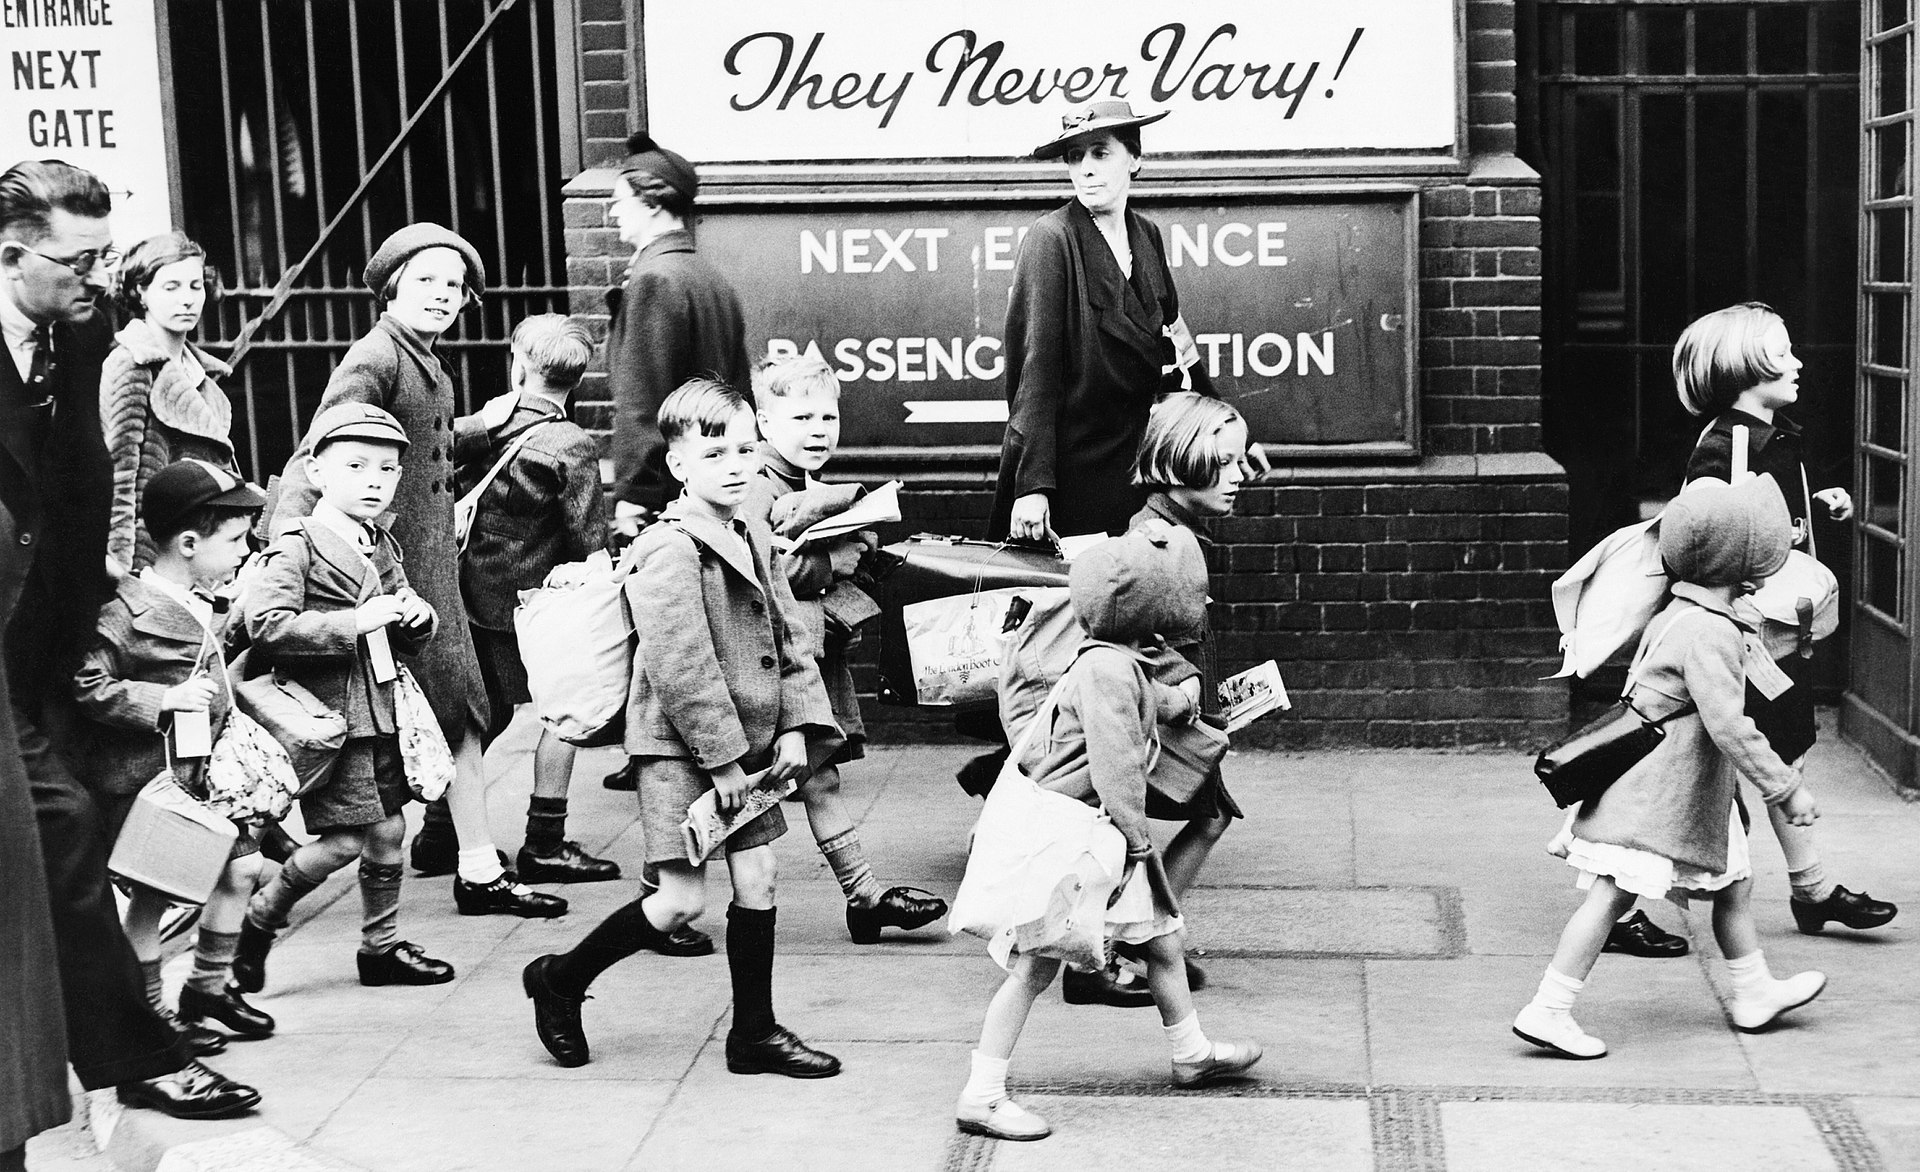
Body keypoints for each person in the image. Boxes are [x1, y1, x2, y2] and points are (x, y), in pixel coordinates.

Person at [1, 158, 258, 1122]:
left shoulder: (76, 331)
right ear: (13, 254)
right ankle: (136, 1057)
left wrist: (94, 606)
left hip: (45, 647)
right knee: (64, 835)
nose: (98, 276)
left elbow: (84, 486)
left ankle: (123, 1054)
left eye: (106, 257)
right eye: (79, 258)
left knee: (63, 845)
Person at [522, 380, 842, 1077]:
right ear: (679, 466)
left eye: (743, 449)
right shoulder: (669, 548)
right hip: (677, 749)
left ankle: (753, 1034)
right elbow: (681, 666)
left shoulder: (749, 528)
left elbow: (789, 635)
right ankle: (560, 980)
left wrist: (796, 727)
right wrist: (725, 764)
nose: (734, 464)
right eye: (714, 452)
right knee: (679, 900)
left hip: (750, 746)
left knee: (758, 878)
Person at [264, 223, 563, 920]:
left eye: (455, 286)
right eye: (427, 280)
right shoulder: (375, 357)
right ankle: (476, 868)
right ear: (392, 285)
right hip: (389, 572)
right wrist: (292, 542)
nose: (443, 295)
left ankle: (457, 852)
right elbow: (323, 449)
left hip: (423, 566)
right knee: (450, 707)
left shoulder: (422, 357)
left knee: (456, 707)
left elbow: (420, 442)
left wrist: (488, 424)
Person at [955, 527, 1262, 1142]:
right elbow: (1117, 763)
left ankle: (1191, 1053)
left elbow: (1154, 698)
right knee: (1035, 967)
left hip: (1093, 834)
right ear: (1146, 608)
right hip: (1076, 839)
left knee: (1164, 943)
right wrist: (1137, 840)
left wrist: (1183, 700)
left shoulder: (1114, 657)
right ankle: (981, 1095)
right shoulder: (1107, 670)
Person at [1514, 476, 1827, 1059]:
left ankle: (1754, 990)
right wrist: (1785, 789)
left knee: (1735, 883)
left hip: (1678, 788)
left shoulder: (1682, 611)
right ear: (1743, 565)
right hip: (1662, 794)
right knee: (1611, 896)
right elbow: (1730, 725)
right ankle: (1548, 1010)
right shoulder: (1710, 631)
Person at [1677, 303, 1897, 938]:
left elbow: (1771, 517)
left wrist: (1820, 508)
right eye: (1782, 351)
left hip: (1773, 627)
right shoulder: (1728, 444)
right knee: (1722, 759)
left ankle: (1813, 889)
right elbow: (1703, 532)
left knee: (1775, 748)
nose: (1798, 361)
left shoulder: (1778, 435)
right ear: (1744, 366)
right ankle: (1619, 902)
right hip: (1744, 628)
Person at [236, 404, 454, 991]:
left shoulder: (381, 541)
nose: (373, 481)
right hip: (330, 718)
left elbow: (402, 609)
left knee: (388, 833)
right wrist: (353, 622)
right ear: (317, 470)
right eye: (356, 466)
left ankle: (379, 949)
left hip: (382, 710)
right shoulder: (296, 544)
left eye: (386, 470)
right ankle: (258, 922)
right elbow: (267, 624)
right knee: (343, 843)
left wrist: (417, 617)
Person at [992, 100, 1267, 543]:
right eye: (1075, 157)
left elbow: (1177, 342)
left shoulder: (1147, 235)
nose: (1085, 169)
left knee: (1137, 596)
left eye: (1100, 153)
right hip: (1072, 472)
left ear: (1135, 159)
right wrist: (1033, 486)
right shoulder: (1052, 238)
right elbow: (1034, 372)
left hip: (1138, 466)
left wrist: (1231, 432)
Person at [71, 460, 274, 1049]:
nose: (245, 550)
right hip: (147, 781)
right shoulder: (124, 610)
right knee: (153, 897)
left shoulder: (201, 597)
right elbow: (86, 682)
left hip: (200, 775)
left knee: (241, 869)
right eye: (234, 540)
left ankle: (208, 989)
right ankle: (152, 1014)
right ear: (188, 544)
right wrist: (166, 698)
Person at [747, 354, 948, 942]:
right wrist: (826, 562)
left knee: (817, 777)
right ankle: (662, 899)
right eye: (801, 417)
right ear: (764, 425)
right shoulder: (755, 483)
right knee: (744, 786)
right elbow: (755, 570)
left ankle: (864, 898)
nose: (818, 430)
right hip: (768, 663)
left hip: (798, 659)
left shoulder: (796, 483)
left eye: (828, 418)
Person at [1081, 391, 1251, 1004]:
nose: (1238, 477)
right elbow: (1135, 631)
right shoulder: (1156, 537)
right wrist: (1184, 690)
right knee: (1132, 831)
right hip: (1155, 707)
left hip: (1175, 703)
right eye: (1225, 463)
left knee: (1203, 817)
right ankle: (1109, 955)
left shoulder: (1177, 525)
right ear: (1183, 460)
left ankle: (1139, 945)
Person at [599, 130, 751, 800]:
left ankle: (662, 757)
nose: (612, 213)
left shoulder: (656, 278)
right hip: (714, 477)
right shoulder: (706, 276)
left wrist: (631, 493)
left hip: (672, 487)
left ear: (655, 203)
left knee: (667, 630)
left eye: (620, 199)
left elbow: (640, 400)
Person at [453, 313, 619, 883]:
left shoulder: (487, 426)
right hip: (537, 602)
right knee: (564, 712)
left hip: (473, 591)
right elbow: (587, 538)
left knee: (488, 711)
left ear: (519, 363)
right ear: (579, 378)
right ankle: (545, 841)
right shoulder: (570, 443)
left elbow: (436, 456)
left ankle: (440, 830)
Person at [100, 232, 237, 575]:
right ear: (141, 292)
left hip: (204, 547)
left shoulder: (202, 374)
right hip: (153, 554)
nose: (187, 300)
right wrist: (123, 569)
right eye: (171, 287)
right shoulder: (131, 363)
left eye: (195, 286)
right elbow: (120, 477)